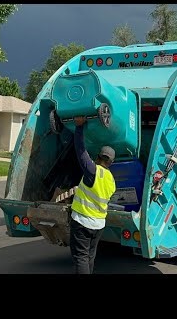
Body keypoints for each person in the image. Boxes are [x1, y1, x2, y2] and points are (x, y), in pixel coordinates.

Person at [69, 116, 116, 274]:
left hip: (82, 221)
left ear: (98, 156)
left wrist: (79, 127)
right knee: (89, 256)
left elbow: (80, 150)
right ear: (111, 162)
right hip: (98, 225)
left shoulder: (93, 171)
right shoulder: (111, 180)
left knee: (81, 257)